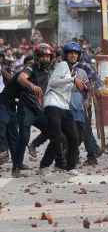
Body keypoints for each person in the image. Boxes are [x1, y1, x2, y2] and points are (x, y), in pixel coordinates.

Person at [40, 42, 84, 173]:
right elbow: (53, 82)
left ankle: (69, 166)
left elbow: (66, 88)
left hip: (64, 106)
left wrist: (77, 85)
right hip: (53, 103)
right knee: (58, 136)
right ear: (65, 55)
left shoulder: (72, 70)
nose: (73, 55)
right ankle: (45, 165)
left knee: (73, 137)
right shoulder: (62, 65)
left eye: (76, 53)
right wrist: (72, 80)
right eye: (70, 53)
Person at [10, 49, 50, 177]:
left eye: (48, 57)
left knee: (50, 129)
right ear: (37, 57)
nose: (46, 59)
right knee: (23, 137)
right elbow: (21, 78)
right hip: (26, 108)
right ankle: (16, 168)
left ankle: (34, 145)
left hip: (38, 109)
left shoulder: (47, 71)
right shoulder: (30, 68)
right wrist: (31, 86)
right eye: (43, 57)